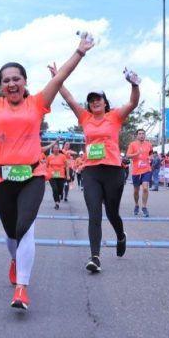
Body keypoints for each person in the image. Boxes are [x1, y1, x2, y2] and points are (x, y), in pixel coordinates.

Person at [0, 34, 93, 310]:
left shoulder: (37, 103)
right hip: (1, 178)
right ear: (1, 86)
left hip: (32, 176)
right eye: (6, 80)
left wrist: (79, 52)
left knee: (25, 228)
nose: (12, 83)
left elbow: (59, 77)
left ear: (25, 82)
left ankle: (22, 288)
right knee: (11, 233)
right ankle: (15, 260)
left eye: (17, 79)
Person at [49, 64, 140, 273]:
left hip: (113, 171)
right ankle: (95, 257)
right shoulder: (84, 118)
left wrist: (134, 84)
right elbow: (69, 98)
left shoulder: (115, 116)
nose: (94, 102)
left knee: (112, 213)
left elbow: (133, 102)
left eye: (98, 99)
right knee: (94, 214)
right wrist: (58, 78)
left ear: (105, 102)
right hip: (91, 172)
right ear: (89, 105)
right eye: (91, 100)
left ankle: (120, 235)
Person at [126, 129, 153, 217]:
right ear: (137, 136)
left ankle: (144, 207)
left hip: (146, 169)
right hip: (136, 170)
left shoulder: (149, 144)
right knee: (136, 191)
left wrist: (150, 157)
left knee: (145, 188)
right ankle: (136, 205)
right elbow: (128, 155)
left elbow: (151, 154)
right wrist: (136, 154)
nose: (141, 135)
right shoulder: (132, 144)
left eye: (143, 134)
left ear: (145, 135)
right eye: (140, 134)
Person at [46, 144, 69, 209]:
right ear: (53, 149)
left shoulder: (63, 156)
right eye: (55, 148)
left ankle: (60, 194)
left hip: (61, 175)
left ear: (59, 149)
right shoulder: (49, 157)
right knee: (55, 189)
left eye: (57, 148)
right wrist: (46, 175)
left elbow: (67, 166)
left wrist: (68, 175)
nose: (56, 149)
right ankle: (56, 203)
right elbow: (46, 166)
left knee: (60, 189)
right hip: (51, 176)